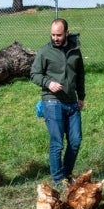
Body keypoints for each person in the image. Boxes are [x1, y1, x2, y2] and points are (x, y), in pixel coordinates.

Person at [31, 18, 86, 187]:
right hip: (52, 101)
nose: (55, 38)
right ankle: (57, 179)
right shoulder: (44, 52)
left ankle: (67, 174)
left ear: (67, 33)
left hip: (71, 102)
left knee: (75, 141)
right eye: (53, 34)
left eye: (59, 35)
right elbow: (34, 74)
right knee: (57, 142)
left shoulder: (75, 51)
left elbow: (80, 75)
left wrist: (81, 97)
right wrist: (49, 83)